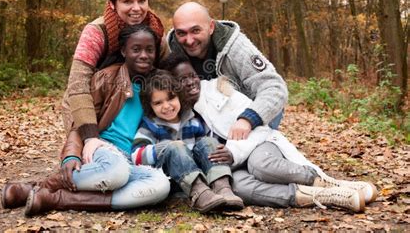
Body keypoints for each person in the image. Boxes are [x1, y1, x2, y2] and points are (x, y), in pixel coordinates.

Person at [161, 53, 378, 213]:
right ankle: (324, 195)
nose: (190, 82)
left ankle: (330, 182)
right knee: (239, 188)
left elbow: (258, 128)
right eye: (181, 80)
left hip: (258, 144)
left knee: (261, 166)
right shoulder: (176, 113)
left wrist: (233, 153)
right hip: (231, 166)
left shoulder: (220, 91)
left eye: (191, 76)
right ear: (171, 84)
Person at [1, 25, 170, 216]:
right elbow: (81, 122)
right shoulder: (106, 79)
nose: (144, 55)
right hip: (102, 151)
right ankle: (43, 185)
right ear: (124, 51)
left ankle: (52, 198)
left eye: (150, 50)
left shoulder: (159, 84)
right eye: (136, 49)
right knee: (117, 172)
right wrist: (71, 155)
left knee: (161, 185)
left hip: (133, 159)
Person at [62, 0, 165, 140]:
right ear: (112, 3)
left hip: (136, 110)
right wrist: (90, 137)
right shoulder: (96, 32)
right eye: (127, 1)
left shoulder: (155, 34)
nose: (136, 8)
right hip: (93, 107)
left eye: (142, 1)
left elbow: (171, 74)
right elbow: (77, 86)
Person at [131, 70, 244, 213]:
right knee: (175, 147)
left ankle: (222, 187)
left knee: (208, 142)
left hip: (202, 176)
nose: (166, 106)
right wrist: (164, 148)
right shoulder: (150, 126)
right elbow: (136, 156)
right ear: (150, 106)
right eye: (158, 103)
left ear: (179, 97)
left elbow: (206, 149)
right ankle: (199, 194)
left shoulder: (193, 121)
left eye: (170, 98)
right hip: (174, 180)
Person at [167, 1, 286, 135]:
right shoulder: (171, 53)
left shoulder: (236, 47)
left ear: (211, 27)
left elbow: (274, 87)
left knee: (251, 152)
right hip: (208, 121)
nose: (189, 40)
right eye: (181, 33)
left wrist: (248, 119)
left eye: (196, 30)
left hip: (249, 114)